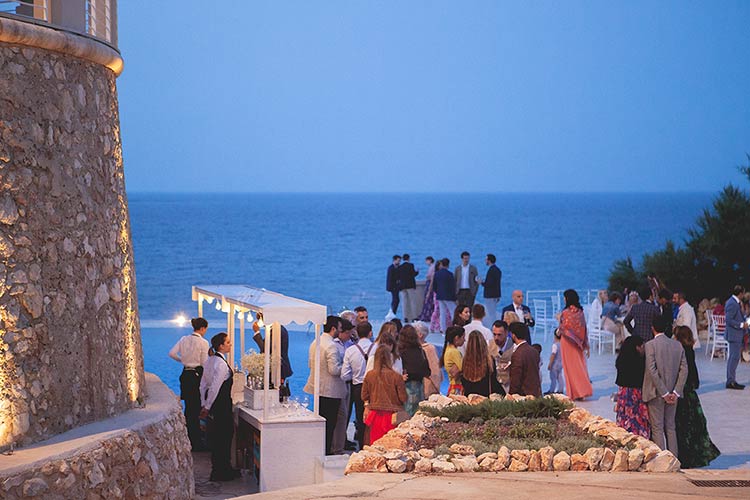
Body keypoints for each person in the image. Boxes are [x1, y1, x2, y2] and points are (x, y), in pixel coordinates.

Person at [673, 326, 720, 468]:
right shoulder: (689, 351)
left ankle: (685, 458)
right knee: (695, 426)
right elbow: (694, 374)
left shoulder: (681, 351)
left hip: (682, 394)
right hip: (690, 394)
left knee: (682, 426)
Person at [642, 316, 688, 456]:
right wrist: (676, 391)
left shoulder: (650, 345)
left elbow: (652, 370)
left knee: (657, 428)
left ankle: (661, 460)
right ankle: (674, 458)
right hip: (673, 394)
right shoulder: (677, 345)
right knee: (670, 427)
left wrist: (664, 392)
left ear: (653, 328)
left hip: (656, 393)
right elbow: (684, 369)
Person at [303, 315, 347, 455]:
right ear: (333, 329)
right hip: (331, 390)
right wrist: (346, 367)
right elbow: (334, 370)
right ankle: (326, 453)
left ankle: (319, 451)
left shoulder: (315, 342)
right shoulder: (331, 346)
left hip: (318, 387)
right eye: (339, 329)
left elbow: (310, 364)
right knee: (330, 425)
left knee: (321, 424)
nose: (340, 332)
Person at [199, 332, 238, 481]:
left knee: (216, 437)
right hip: (221, 405)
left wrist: (204, 404)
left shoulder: (209, 361)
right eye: (228, 342)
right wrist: (207, 406)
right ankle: (223, 471)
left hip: (213, 405)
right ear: (220, 346)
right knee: (225, 436)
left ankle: (219, 469)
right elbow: (215, 387)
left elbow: (203, 385)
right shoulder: (221, 364)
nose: (230, 344)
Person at [169, 317, 210, 451]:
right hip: (196, 376)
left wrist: (183, 361)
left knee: (189, 408)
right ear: (203, 328)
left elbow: (172, 353)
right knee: (196, 409)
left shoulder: (183, 339)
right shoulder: (203, 342)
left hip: (185, 375)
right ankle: (196, 442)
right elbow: (204, 362)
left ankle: (188, 438)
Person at [362, 346, 407, 445]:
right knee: (391, 446)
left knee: (374, 444)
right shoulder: (397, 377)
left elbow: (364, 395)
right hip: (392, 417)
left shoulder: (370, 375)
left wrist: (366, 406)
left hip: (374, 415)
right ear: (389, 358)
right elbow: (403, 398)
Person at [341, 321, 374, 450]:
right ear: (370, 333)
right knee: (372, 418)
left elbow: (344, 375)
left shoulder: (351, 350)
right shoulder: (377, 348)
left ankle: (361, 447)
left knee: (360, 418)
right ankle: (371, 444)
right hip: (373, 387)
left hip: (357, 387)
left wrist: (355, 376)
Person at [558, 289, 593, 401]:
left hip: (567, 342)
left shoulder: (565, 312)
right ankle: (582, 391)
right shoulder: (580, 312)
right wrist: (585, 343)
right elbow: (583, 328)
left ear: (568, 298)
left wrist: (558, 322)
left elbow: (563, 328)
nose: (563, 299)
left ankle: (573, 393)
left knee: (569, 367)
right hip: (578, 343)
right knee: (579, 366)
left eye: (564, 297)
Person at [614, 336, 650, 438]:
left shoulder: (621, 360)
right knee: (637, 419)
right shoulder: (640, 361)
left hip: (624, 393)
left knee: (625, 417)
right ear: (637, 347)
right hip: (636, 394)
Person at [331, 319, 355, 454]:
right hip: (339, 383)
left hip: (348, 383)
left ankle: (341, 442)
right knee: (341, 415)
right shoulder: (334, 345)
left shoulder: (351, 344)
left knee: (346, 414)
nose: (350, 335)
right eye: (349, 333)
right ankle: (337, 447)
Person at [398, 325, 431, 416]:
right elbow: (427, 371)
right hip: (419, 386)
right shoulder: (420, 351)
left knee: (405, 414)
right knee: (417, 414)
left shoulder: (400, 352)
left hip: (405, 386)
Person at [461, 331, 504, 397]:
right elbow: (493, 382)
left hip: (469, 399)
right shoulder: (489, 360)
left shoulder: (465, 361)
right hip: (485, 399)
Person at [508, 322, 542, 397]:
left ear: (513, 335)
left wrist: (511, 396)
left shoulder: (518, 354)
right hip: (535, 393)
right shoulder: (534, 351)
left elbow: (515, 380)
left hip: (523, 396)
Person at [725, 285, 747, 390]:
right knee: (734, 358)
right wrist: (742, 325)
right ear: (741, 293)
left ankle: (731, 380)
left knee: (734, 358)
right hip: (734, 335)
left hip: (737, 334)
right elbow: (729, 320)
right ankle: (730, 381)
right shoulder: (732, 303)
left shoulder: (736, 303)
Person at [414, 321, 442, 397]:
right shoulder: (413, 348)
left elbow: (435, 369)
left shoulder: (429, 349)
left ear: (420, 335)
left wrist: (436, 385)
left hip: (428, 386)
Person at [440, 326, 465, 395]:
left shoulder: (448, 349)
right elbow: (462, 369)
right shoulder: (454, 352)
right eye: (463, 337)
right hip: (457, 388)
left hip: (453, 386)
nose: (464, 340)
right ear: (457, 338)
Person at [434, 258, 457, 333]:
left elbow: (435, 286)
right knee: (453, 311)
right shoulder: (450, 274)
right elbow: (453, 287)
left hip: (440, 295)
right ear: (448, 264)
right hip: (448, 296)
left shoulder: (437, 274)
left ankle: (443, 329)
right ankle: (455, 326)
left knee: (442, 313)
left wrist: (438, 292)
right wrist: (454, 297)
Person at [491, 320, 514, 394]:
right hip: (493, 386)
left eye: (499, 335)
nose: (496, 338)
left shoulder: (514, 346)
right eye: (494, 334)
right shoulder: (488, 345)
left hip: (509, 385)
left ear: (506, 333)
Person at [480, 253, 502, 327]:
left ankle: (494, 327)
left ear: (489, 260)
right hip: (495, 295)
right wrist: (499, 295)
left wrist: (481, 282)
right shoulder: (497, 270)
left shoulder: (491, 270)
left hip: (489, 295)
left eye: (486, 259)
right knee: (493, 312)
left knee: (491, 313)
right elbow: (497, 284)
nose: (485, 261)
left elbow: (489, 284)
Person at [399, 254, 419, 322]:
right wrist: (417, 272)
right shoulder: (411, 265)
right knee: (412, 301)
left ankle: (405, 317)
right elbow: (413, 274)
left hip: (402, 286)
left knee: (404, 302)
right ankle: (414, 317)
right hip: (410, 286)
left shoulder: (400, 267)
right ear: (408, 258)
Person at [546, 328, 565, 395]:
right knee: (560, 377)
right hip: (561, 363)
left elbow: (553, 355)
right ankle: (561, 390)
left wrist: (550, 364)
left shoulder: (555, 345)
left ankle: (552, 390)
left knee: (553, 378)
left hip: (555, 364)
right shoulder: (563, 345)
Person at [418, 256, 436, 323]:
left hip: (429, 284)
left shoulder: (432, 267)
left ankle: (427, 316)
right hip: (428, 283)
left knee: (428, 301)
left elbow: (431, 277)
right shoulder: (432, 267)